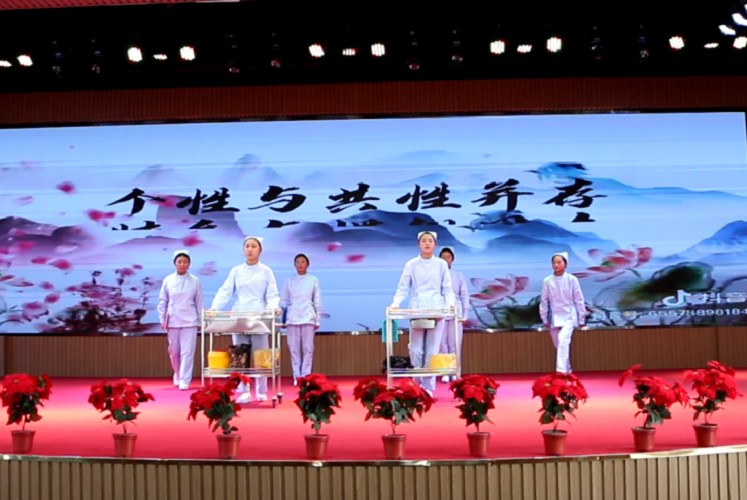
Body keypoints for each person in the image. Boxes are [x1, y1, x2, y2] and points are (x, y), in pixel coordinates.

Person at [211, 236, 281, 404]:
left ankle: (261, 390)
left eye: (253, 246)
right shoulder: (236, 271)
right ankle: (244, 391)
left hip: (259, 316)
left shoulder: (266, 271)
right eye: (247, 246)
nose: (250, 249)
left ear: (260, 250)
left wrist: (274, 307)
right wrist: (214, 308)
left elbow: (272, 294)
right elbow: (225, 291)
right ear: (243, 249)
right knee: (239, 355)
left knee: (260, 354)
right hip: (240, 315)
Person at [389, 231, 455, 395]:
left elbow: (447, 288)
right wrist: (395, 304)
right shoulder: (411, 264)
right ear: (419, 244)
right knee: (415, 349)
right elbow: (403, 287)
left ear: (435, 244)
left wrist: (450, 304)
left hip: (436, 308)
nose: (427, 243)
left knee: (433, 349)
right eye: (424, 241)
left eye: (430, 241)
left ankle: (428, 387)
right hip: (417, 308)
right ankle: (415, 384)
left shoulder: (441, 264)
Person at [158, 250, 204, 390]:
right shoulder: (168, 280)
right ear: (175, 263)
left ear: (189, 264)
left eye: (185, 262)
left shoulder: (195, 280)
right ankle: (177, 373)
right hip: (173, 319)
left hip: (190, 320)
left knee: (187, 351)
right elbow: (162, 301)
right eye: (180, 262)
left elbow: (199, 301)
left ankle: (185, 379)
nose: (182, 264)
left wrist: (200, 320)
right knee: (174, 351)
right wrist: (162, 319)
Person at [539, 252, 586, 374]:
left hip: (569, 315)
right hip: (553, 316)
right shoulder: (547, 280)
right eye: (554, 262)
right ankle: (567, 369)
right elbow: (544, 300)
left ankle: (561, 372)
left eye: (559, 262)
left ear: (565, 264)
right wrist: (544, 318)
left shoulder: (572, 279)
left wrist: (581, 318)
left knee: (563, 340)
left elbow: (579, 299)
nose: (556, 265)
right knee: (558, 344)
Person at [280, 253, 323, 386]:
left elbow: (317, 300)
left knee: (308, 348)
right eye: (297, 262)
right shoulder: (289, 281)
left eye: (303, 262)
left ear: (307, 264)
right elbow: (284, 301)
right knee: (293, 348)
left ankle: (306, 375)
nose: (300, 264)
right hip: (292, 317)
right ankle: (297, 376)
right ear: (294, 264)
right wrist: (282, 319)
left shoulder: (313, 280)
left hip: (308, 316)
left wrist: (318, 319)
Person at [438, 247, 470, 383]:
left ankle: (456, 372)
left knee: (455, 343)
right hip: (440, 311)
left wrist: (465, 314)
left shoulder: (458, 275)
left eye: (448, 257)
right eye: (443, 257)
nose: (446, 259)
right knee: (441, 344)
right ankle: (445, 372)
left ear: (453, 259)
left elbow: (464, 295)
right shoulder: (434, 275)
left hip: (456, 312)